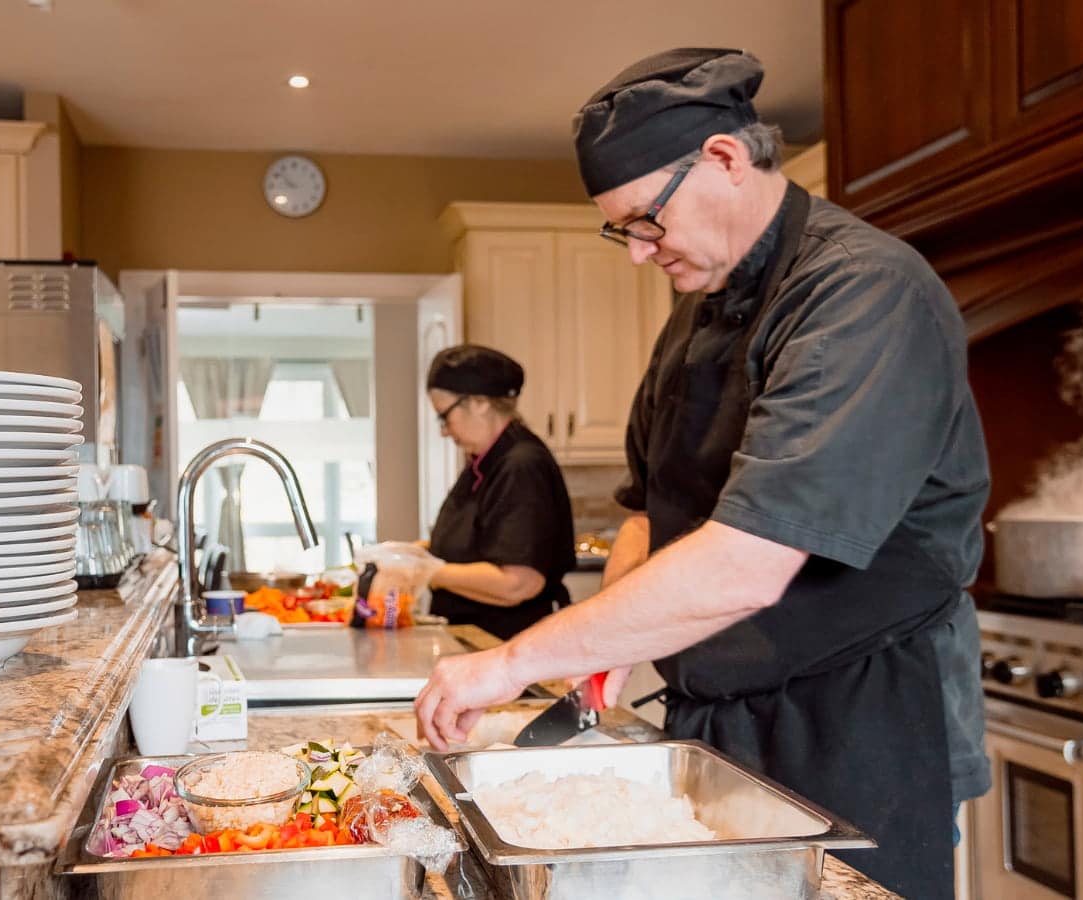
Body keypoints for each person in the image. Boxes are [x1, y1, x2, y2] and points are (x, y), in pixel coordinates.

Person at [415, 48, 990, 899]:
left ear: (722, 159)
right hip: (717, 721)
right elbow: (652, 511)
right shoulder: (697, 310)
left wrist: (511, 663)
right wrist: (599, 660)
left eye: (644, 221)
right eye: (622, 230)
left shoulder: (862, 291)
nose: (638, 255)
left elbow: (750, 559)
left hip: (859, 718)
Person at [421, 344, 575, 640]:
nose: (443, 431)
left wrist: (426, 572)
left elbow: (517, 583)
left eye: (444, 416)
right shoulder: (485, 462)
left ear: (479, 402)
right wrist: (416, 553)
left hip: (514, 646)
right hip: (485, 643)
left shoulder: (520, 466)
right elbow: (473, 542)